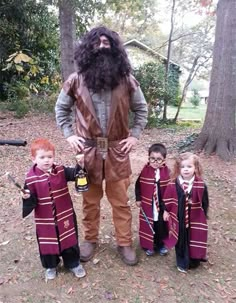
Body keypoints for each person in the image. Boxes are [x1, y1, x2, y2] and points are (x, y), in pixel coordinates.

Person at [55, 26, 148, 266]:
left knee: (120, 202)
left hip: (118, 151)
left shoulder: (127, 80)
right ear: (89, 48)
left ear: (115, 49)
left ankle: (125, 242)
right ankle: (90, 239)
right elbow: (61, 109)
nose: (103, 46)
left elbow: (142, 109)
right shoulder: (75, 81)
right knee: (90, 201)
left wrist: (134, 136)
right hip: (88, 153)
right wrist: (69, 135)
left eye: (107, 43)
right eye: (98, 43)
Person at [21, 138, 86, 280]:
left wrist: (80, 164)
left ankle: (73, 263)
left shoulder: (61, 171)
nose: (46, 160)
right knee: (48, 242)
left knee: (69, 238)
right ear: (33, 159)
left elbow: (76, 174)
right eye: (42, 157)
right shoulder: (31, 178)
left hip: (64, 215)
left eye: (49, 157)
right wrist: (27, 197)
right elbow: (30, 199)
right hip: (45, 219)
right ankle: (51, 265)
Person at [162, 152, 209, 273]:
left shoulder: (200, 185)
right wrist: (166, 211)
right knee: (181, 240)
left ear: (196, 168)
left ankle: (195, 260)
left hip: (195, 217)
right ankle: (182, 262)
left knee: (195, 237)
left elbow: (205, 202)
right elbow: (167, 199)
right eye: (183, 167)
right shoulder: (173, 184)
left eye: (189, 166)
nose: (186, 170)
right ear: (178, 169)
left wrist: (204, 214)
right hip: (179, 218)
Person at [135, 143, 170, 256]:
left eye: (159, 159)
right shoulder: (145, 171)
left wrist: (167, 208)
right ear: (148, 158)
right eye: (152, 159)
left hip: (161, 205)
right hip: (148, 204)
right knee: (148, 224)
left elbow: (170, 190)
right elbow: (138, 185)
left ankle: (160, 245)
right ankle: (148, 245)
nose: (155, 162)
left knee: (161, 226)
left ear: (164, 160)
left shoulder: (167, 173)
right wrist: (138, 198)